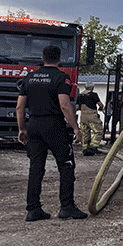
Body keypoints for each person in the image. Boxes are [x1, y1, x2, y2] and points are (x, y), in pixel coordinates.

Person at [16, 45, 86, 221]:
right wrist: (76, 128)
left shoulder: (29, 78)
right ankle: (67, 207)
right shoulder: (61, 78)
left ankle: (33, 209)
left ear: (42, 57)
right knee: (66, 164)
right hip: (54, 124)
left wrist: (22, 128)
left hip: (34, 124)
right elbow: (64, 105)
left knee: (36, 167)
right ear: (59, 59)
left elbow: (19, 107)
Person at [76, 83, 105, 156]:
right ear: (92, 88)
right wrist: (101, 108)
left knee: (84, 133)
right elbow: (100, 104)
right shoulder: (93, 95)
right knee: (98, 131)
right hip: (92, 116)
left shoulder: (80, 95)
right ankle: (93, 147)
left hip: (83, 117)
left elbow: (77, 107)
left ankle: (85, 149)